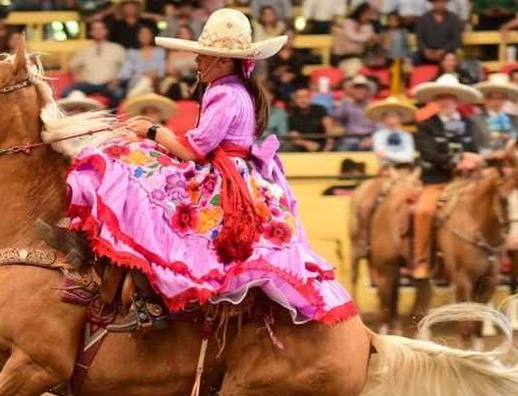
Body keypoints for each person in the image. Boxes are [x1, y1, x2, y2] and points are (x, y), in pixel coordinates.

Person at [67, 8, 357, 332]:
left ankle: (146, 298)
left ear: (222, 60)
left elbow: (195, 150)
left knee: (143, 190)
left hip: (224, 176)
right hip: (235, 170)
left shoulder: (223, 92)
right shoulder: (238, 90)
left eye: (202, 56)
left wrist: (152, 130)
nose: (197, 61)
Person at [411, 74, 484, 280]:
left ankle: (492, 254)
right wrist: (458, 161)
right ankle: (422, 261)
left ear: (457, 100)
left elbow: (475, 148)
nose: (446, 101)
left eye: (450, 97)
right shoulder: (426, 125)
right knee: (424, 211)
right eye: (441, 97)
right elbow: (429, 153)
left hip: (468, 180)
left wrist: (474, 159)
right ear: (435, 100)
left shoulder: (469, 124)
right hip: (437, 181)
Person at [61, 20, 127, 104]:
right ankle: (85, 110)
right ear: (91, 33)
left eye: (101, 29)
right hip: (88, 84)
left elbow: (126, 68)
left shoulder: (117, 48)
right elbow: (72, 66)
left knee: (118, 93)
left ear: (106, 31)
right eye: (95, 29)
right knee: (66, 91)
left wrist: (117, 80)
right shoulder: (84, 50)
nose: (98, 31)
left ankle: (109, 113)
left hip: (108, 83)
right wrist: (77, 76)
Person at [473, 73, 518, 158]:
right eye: (493, 98)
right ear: (485, 99)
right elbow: (473, 146)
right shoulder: (475, 120)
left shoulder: (514, 119)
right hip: (484, 161)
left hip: (510, 160)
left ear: (506, 99)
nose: (497, 102)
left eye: (501, 98)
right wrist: (490, 154)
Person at [117, 23, 167, 98]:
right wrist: (143, 74)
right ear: (138, 36)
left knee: (148, 81)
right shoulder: (132, 52)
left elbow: (161, 72)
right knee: (145, 81)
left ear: (152, 35)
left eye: (147, 33)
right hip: (135, 84)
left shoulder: (160, 52)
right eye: (142, 33)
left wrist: (151, 76)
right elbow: (125, 74)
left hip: (154, 86)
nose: (144, 36)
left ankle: (130, 100)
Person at [332, 75, 378, 152]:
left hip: (370, 137)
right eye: (357, 88)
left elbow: (379, 126)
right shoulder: (346, 103)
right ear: (352, 90)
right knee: (342, 150)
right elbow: (337, 119)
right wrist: (344, 104)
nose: (359, 91)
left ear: (367, 91)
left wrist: (372, 139)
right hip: (351, 138)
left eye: (362, 88)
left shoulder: (373, 106)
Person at [368, 95, 417, 167]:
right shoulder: (378, 135)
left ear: (400, 117)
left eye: (394, 115)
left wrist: (387, 155)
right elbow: (380, 155)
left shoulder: (407, 135)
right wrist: (399, 157)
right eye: (388, 115)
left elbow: (409, 157)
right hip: (386, 169)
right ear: (383, 118)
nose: (391, 118)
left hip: (405, 169)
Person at [415, 0, 463, 65]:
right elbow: (419, 39)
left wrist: (444, 50)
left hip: (447, 52)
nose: (440, 4)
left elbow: (457, 40)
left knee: (450, 57)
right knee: (412, 58)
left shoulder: (453, 18)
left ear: (446, 3)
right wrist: (425, 50)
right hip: (427, 53)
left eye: (442, 2)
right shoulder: (424, 18)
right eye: (437, 2)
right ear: (433, 3)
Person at [287, 87, 334, 152]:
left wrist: (329, 144)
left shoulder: (319, 109)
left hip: (323, 143)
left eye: (306, 97)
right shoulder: (292, 113)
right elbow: (294, 136)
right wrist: (306, 144)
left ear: (310, 98)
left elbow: (329, 127)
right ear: (295, 100)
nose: (303, 100)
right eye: (299, 97)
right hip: (303, 146)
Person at [162, 25, 199, 99]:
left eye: (186, 33)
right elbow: (169, 69)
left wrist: (192, 67)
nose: (184, 35)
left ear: (191, 35)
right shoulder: (173, 53)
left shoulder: (196, 51)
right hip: (177, 80)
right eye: (181, 33)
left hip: (193, 79)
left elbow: (201, 67)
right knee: (172, 84)